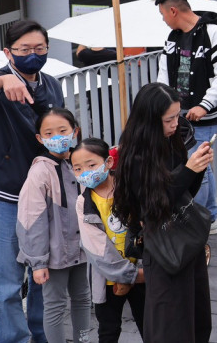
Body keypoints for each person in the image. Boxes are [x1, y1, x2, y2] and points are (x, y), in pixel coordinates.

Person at [0, 20, 64, 343]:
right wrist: (1, 80)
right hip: (7, 193)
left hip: (45, 193)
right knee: (8, 282)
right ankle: (15, 339)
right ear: (8, 52)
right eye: (25, 50)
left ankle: (42, 335)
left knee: (44, 273)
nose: (33, 55)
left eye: (39, 49)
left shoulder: (51, 84)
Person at [112, 82, 215, 342]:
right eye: (169, 119)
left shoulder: (171, 139)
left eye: (177, 116)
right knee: (172, 322)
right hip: (162, 246)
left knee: (199, 316)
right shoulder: (135, 155)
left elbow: (183, 194)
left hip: (185, 239)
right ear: (150, 119)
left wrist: (197, 167)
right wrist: (189, 170)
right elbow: (153, 207)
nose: (175, 124)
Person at [155, 0, 217, 232]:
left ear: (173, 10)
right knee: (199, 165)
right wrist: (161, 105)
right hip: (177, 115)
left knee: (195, 164)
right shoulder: (172, 38)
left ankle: (198, 220)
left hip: (204, 113)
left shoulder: (213, 33)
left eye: (163, 14)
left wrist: (204, 105)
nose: (164, 20)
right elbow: (164, 73)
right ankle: (208, 217)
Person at [17, 108, 91, 343]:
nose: (57, 137)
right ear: (40, 138)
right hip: (54, 255)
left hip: (81, 248)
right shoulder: (39, 172)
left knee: (83, 299)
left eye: (63, 131)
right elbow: (31, 220)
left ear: (74, 132)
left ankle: (83, 340)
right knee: (55, 306)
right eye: (49, 133)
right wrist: (38, 262)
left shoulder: (79, 163)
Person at [73, 137, 146, 342]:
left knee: (150, 324)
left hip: (142, 270)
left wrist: (143, 270)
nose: (85, 172)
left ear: (109, 163)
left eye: (91, 165)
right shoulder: (83, 203)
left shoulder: (129, 189)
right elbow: (96, 248)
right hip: (107, 278)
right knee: (108, 329)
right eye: (78, 169)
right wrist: (132, 275)